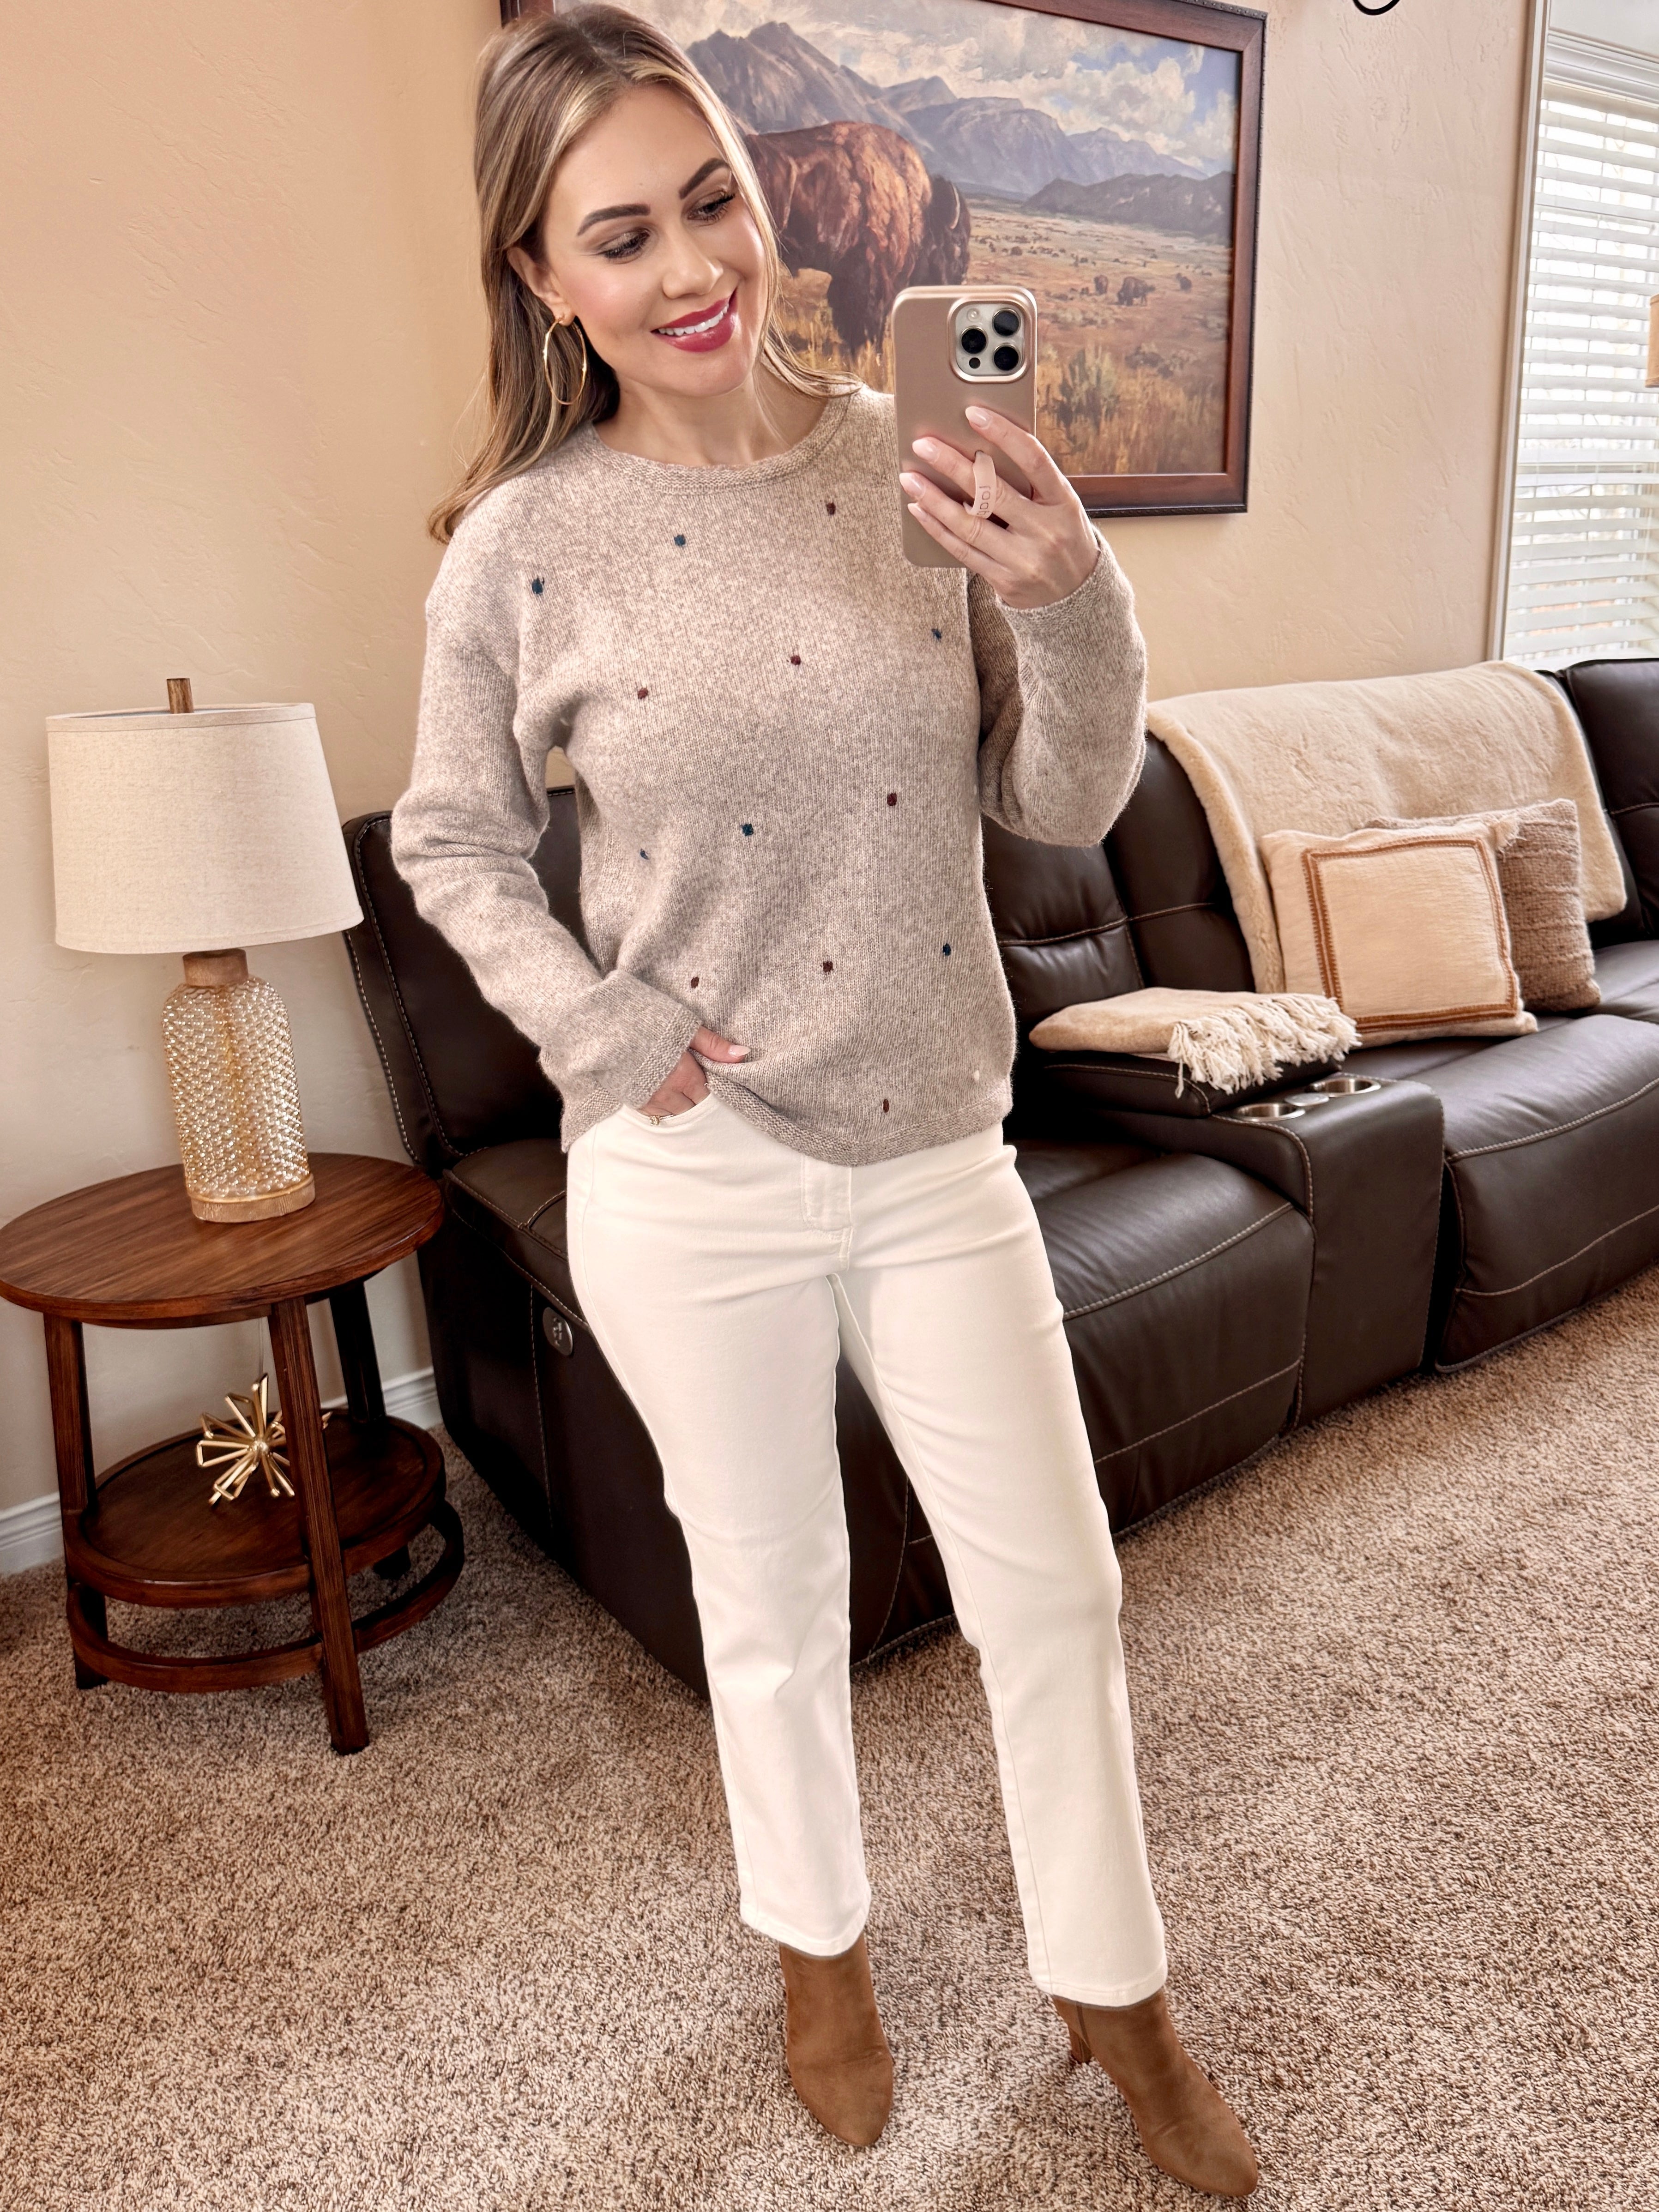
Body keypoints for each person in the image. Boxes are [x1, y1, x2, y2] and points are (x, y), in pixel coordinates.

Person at [391, 7, 1257, 2195]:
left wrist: (1074, 598)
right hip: (690, 1169)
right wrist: (595, 1030)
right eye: (619, 235)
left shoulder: (912, 462)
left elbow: (1054, 802)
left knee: (1052, 1592)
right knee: (770, 1605)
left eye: (711, 201)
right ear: (541, 277)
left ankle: (1115, 1995)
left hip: (938, 1146)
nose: (691, 265)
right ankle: (820, 1960)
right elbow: (453, 839)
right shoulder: (524, 545)